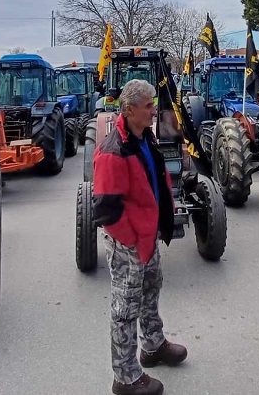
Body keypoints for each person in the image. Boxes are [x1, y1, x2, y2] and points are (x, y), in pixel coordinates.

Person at [92, 79, 187, 395]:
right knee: (124, 310)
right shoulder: (112, 152)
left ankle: (154, 345)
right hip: (130, 243)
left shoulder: (146, 137)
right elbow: (107, 211)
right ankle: (126, 377)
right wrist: (131, 239)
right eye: (148, 106)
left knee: (151, 290)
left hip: (148, 238)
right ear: (130, 109)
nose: (154, 111)